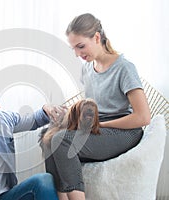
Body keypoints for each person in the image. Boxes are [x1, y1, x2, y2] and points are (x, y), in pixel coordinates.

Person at [43, 13, 151, 200]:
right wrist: (65, 114)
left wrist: (101, 125)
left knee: (62, 140)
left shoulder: (124, 68)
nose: (77, 54)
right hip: (97, 128)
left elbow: (143, 118)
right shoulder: (87, 68)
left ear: (97, 38)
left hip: (124, 132)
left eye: (81, 46)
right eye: (74, 49)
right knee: (47, 136)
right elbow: (93, 106)